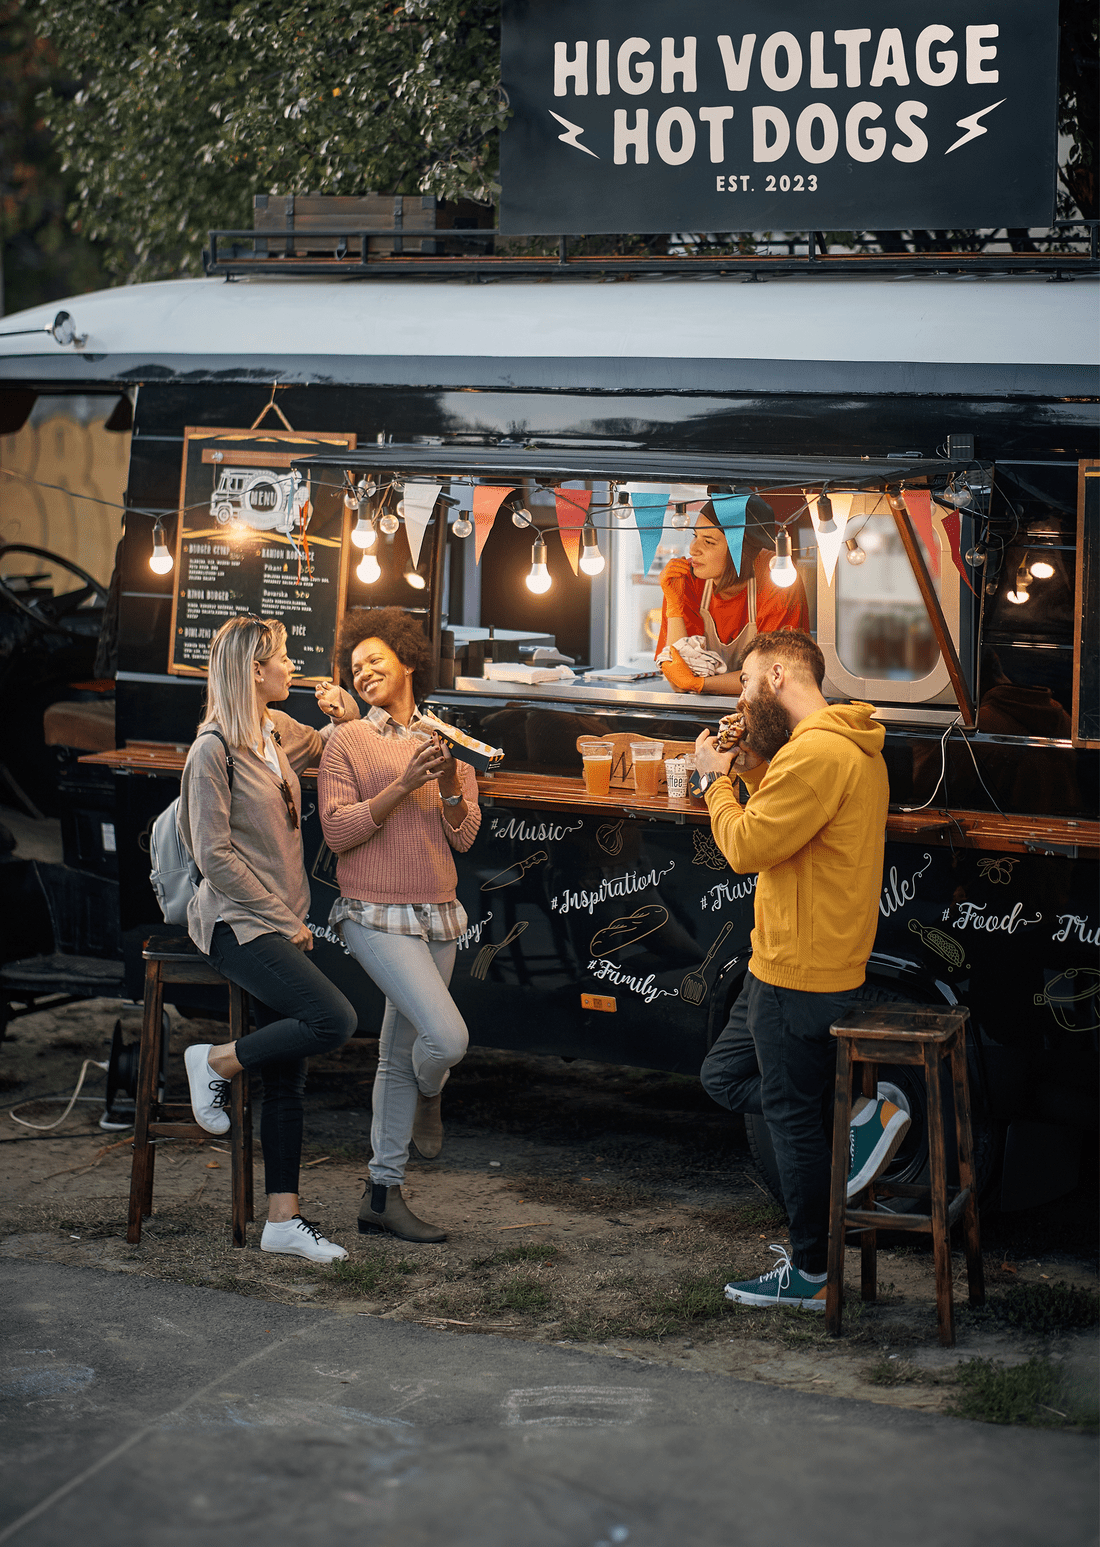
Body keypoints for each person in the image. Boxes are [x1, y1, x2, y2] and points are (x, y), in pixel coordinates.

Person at [693, 629, 907, 1310]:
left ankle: (813, 1272)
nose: (742, 697)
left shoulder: (816, 752)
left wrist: (713, 780)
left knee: (791, 1122)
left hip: (798, 972)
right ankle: (857, 1120)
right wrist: (753, 771)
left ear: (779, 674)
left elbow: (747, 845)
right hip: (791, 961)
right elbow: (791, 823)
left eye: (747, 681)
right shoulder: (845, 744)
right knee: (723, 1076)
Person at [178, 614, 360, 1264]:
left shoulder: (274, 728)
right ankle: (215, 1061)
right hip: (237, 923)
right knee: (332, 1018)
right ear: (255, 670)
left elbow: (330, 746)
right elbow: (214, 856)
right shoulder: (212, 750)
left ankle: (282, 1219)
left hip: (280, 917)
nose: (291, 666)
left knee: (287, 1076)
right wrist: (282, 918)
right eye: (282, 657)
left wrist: (343, 713)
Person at [318, 607, 481, 1244]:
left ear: (408, 661)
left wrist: (448, 782)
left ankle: (381, 1195)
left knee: (395, 1057)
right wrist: (401, 785)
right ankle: (431, 1089)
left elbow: (463, 836)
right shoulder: (346, 741)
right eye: (355, 666)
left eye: (375, 660)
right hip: (371, 910)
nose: (363, 673)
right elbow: (338, 832)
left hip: (437, 910)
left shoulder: (446, 740)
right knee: (446, 1039)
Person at [655, 498, 809, 695]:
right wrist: (674, 605)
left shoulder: (777, 575)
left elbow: (774, 676)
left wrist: (699, 684)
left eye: (708, 542)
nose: (693, 549)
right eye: (695, 536)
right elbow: (678, 681)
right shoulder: (686, 580)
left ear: (742, 551)